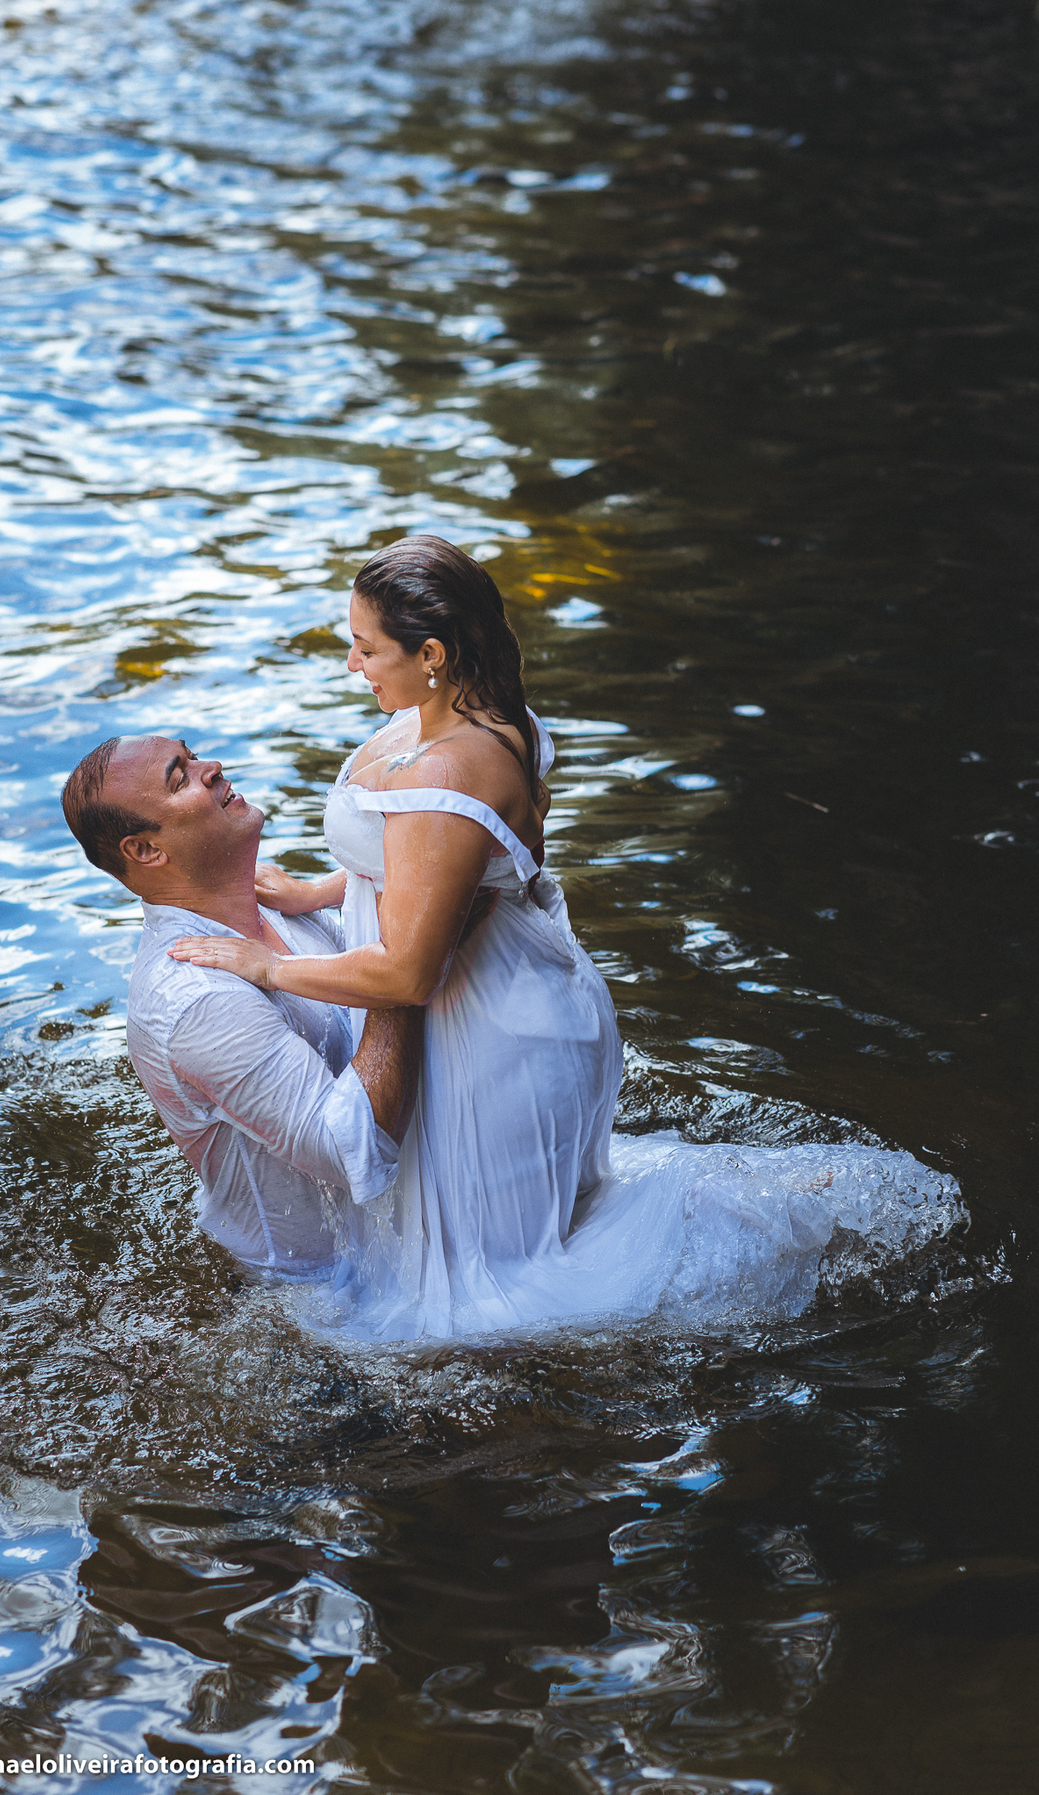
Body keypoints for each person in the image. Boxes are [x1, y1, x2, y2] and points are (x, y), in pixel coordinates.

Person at [169, 536, 963, 1340]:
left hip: (498, 1031)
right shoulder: (460, 717)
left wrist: (265, 966)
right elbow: (438, 865)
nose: (351, 664)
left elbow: (409, 973)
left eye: (366, 647)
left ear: (433, 653)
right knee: (528, 1230)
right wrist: (316, 891)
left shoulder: (450, 766)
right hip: (501, 1006)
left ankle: (753, 1286)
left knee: (506, 1281)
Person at [60, 734, 423, 1284]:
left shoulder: (277, 903)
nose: (212, 768)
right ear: (146, 851)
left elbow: (419, 887)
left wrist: (329, 895)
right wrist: (405, 971)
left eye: (193, 754)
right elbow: (356, 1154)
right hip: (324, 1300)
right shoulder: (193, 999)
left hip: (402, 1240)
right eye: (180, 777)